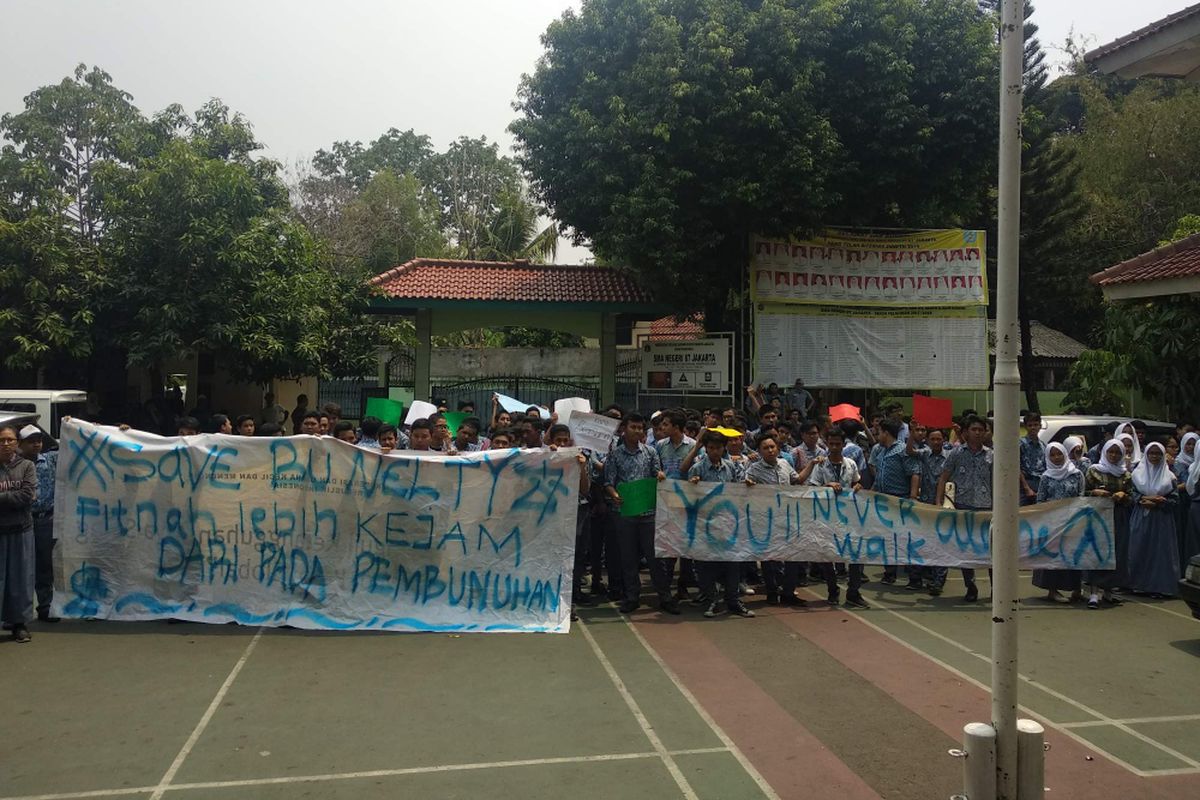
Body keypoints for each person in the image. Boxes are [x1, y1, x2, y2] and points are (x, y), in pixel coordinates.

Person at [603, 413, 674, 615]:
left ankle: (665, 597)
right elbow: (608, 482)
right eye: (633, 427)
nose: (637, 431)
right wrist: (614, 495)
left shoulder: (650, 452)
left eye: (640, 428)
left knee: (654, 557)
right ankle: (632, 596)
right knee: (628, 556)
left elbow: (656, 475)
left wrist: (660, 476)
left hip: (648, 512)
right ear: (624, 429)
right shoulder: (615, 455)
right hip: (624, 512)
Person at [687, 431, 754, 618]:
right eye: (710, 448)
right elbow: (689, 497)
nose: (714, 451)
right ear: (706, 448)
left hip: (728, 524)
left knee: (732, 564)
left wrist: (746, 484)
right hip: (705, 525)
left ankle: (733, 601)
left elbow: (738, 488)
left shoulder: (731, 467)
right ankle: (712, 601)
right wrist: (693, 485)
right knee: (707, 564)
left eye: (717, 448)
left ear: (724, 448)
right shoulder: (697, 469)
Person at [808, 428, 870, 609]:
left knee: (856, 555)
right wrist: (827, 486)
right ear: (826, 443)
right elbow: (812, 489)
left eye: (838, 444)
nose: (834, 447)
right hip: (827, 517)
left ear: (844, 445)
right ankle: (832, 590)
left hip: (848, 516)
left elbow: (856, 482)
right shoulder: (820, 465)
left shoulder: (850, 464)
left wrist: (858, 486)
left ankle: (853, 592)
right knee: (828, 555)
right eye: (831, 443)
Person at [745, 432, 808, 607]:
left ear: (778, 448)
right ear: (759, 451)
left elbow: (798, 480)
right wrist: (749, 484)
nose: (770, 450)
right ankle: (772, 591)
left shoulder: (785, 464)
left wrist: (812, 464)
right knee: (769, 558)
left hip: (788, 518)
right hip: (766, 520)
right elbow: (744, 488)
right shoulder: (753, 469)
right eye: (765, 448)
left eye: (772, 447)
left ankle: (788, 592)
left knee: (792, 556)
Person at [936, 415, 992, 602]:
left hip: (986, 508)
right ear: (966, 432)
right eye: (973, 429)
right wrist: (939, 503)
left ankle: (996, 588)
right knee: (965, 549)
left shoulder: (991, 455)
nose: (977, 433)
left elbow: (998, 481)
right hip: (962, 506)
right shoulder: (956, 453)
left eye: (980, 430)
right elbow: (944, 477)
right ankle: (971, 586)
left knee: (991, 549)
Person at [1031, 443, 1084, 603]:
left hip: (1072, 520)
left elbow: (1081, 495)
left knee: (1073, 554)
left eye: (1059, 454)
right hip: (1052, 522)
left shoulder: (1076, 474)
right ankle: (1052, 590)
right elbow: (1040, 500)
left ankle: (1076, 589)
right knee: (1053, 555)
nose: (1056, 458)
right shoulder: (1046, 477)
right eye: (1052, 455)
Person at [1126, 442, 1180, 597]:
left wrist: (1159, 503)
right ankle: (1137, 584)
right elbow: (1131, 493)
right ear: (1146, 455)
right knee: (1138, 548)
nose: (1155, 457)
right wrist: (1143, 499)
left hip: (1161, 520)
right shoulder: (1137, 475)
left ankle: (1160, 587)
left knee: (1160, 553)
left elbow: (1175, 501)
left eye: (1158, 454)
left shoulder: (1169, 477)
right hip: (1141, 517)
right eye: (1152, 453)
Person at [17, 426, 59, 624]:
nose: (36, 444)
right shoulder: (15, 464)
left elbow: (74, 447)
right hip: (22, 519)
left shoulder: (49, 460)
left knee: (44, 565)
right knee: (21, 566)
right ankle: (17, 612)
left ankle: (45, 607)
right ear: (21, 444)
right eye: (31, 441)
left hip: (45, 519)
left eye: (39, 440)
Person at [1083, 440, 1132, 608]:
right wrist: (1094, 492)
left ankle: (1109, 591)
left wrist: (1123, 496)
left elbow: (1132, 497)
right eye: (1110, 452)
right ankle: (1094, 592)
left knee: (1116, 552)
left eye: (1117, 453)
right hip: (1098, 515)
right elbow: (1082, 492)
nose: (1113, 455)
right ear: (1104, 452)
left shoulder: (1125, 474)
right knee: (1098, 551)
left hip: (1118, 516)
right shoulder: (1094, 471)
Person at [0, 422, 37, 643]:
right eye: (1, 440)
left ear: (17, 443)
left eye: (10, 440)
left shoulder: (27, 467)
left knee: (20, 580)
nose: (6, 444)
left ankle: (19, 624)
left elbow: (26, 496)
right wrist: (13, 497)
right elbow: (20, 496)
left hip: (21, 530)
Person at [907, 425, 950, 594]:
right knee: (922, 542)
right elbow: (909, 450)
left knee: (941, 544)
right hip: (924, 504)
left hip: (943, 506)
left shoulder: (949, 456)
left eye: (939, 439)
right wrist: (912, 433)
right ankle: (918, 578)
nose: (936, 442)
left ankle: (938, 581)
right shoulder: (924, 453)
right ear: (928, 441)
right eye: (933, 439)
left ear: (943, 440)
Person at [870, 419, 914, 585]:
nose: (877, 435)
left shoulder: (902, 450)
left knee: (904, 539)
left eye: (879, 432)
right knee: (887, 538)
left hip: (899, 500)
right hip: (883, 500)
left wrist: (912, 497)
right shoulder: (882, 452)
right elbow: (879, 477)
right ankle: (889, 573)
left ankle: (914, 577)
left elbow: (914, 473)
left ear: (886, 433)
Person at [1018, 412, 1046, 505]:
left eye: (1035, 425)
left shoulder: (1043, 446)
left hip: (1040, 483)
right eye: (1030, 425)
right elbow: (1017, 467)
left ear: (1040, 426)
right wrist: (1026, 488)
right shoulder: (1021, 444)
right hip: (1025, 484)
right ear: (1025, 427)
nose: (1033, 427)